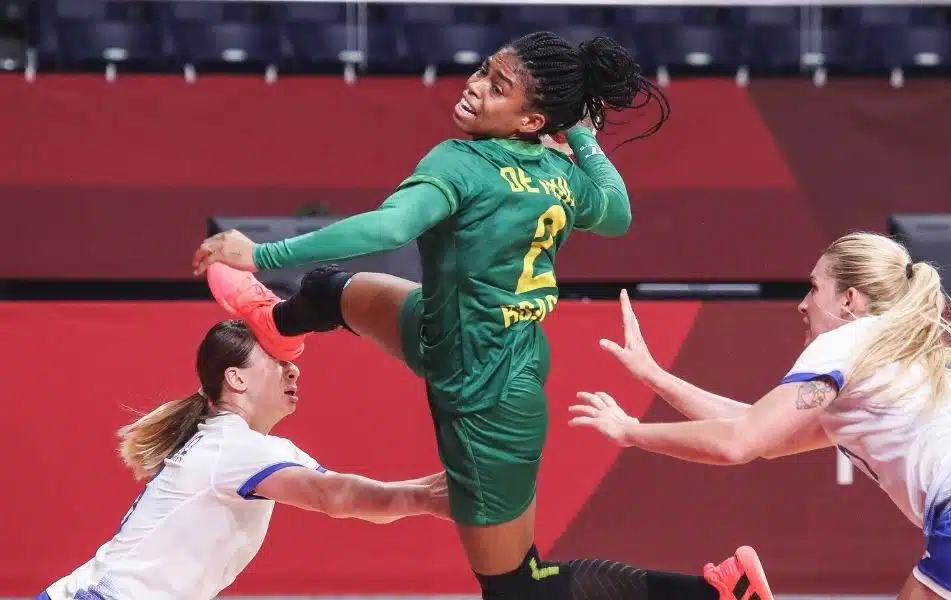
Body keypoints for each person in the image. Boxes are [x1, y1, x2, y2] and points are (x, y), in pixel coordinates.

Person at [191, 31, 774, 600]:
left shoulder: (461, 163)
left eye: (498, 87)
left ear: (529, 121)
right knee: (328, 293)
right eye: (483, 71)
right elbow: (618, 212)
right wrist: (580, 137)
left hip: (485, 396)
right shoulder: (560, 174)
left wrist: (262, 254)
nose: (475, 88)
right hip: (446, 326)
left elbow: (391, 227)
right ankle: (277, 324)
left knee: (519, 585)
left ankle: (717, 592)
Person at [571, 232, 951, 600]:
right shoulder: (901, 358)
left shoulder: (850, 339)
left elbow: (737, 443)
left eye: (814, 288)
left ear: (848, 300)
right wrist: (655, 377)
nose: (802, 304)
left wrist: (633, 432)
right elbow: (763, 435)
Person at [39, 319, 449, 600]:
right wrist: (428, 499)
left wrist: (436, 488)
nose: (294, 371)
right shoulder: (237, 448)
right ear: (236, 379)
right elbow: (335, 497)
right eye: (277, 361)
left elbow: (345, 495)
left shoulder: (239, 444)